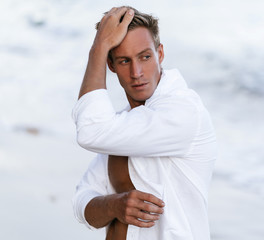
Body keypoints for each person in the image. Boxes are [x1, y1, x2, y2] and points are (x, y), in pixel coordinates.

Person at [72, 6, 217, 240]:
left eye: (145, 57)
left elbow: (90, 130)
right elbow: (82, 202)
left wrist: (98, 49)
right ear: (111, 66)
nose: (136, 72)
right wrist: (113, 206)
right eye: (124, 61)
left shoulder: (183, 112)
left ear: (160, 54)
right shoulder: (124, 126)